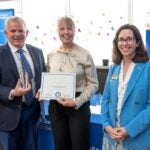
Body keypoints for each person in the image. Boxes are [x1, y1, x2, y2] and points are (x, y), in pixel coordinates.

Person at [47, 16, 98, 150]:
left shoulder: (84, 54)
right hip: (56, 106)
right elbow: (49, 80)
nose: (66, 32)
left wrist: (76, 101)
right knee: (60, 145)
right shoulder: (51, 54)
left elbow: (94, 84)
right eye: (62, 28)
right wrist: (43, 90)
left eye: (69, 28)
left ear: (75, 31)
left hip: (78, 106)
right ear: (57, 31)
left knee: (79, 145)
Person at [101, 24, 150, 150]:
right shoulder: (114, 68)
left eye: (129, 39)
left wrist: (128, 130)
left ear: (137, 42)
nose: (125, 43)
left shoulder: (147, 68)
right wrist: (106, 125)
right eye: (121, 39)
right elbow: (105, 98)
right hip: (112, 134)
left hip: (136, 135)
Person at [0, 16, 46, 150]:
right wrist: (12, 92)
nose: (17, 34)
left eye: (21, 30)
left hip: (33, 112)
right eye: (13, 31)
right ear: (6, 33)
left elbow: (44, 76)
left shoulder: (37, 52)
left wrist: (44, 89)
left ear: (27, 32)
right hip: (8, 115)